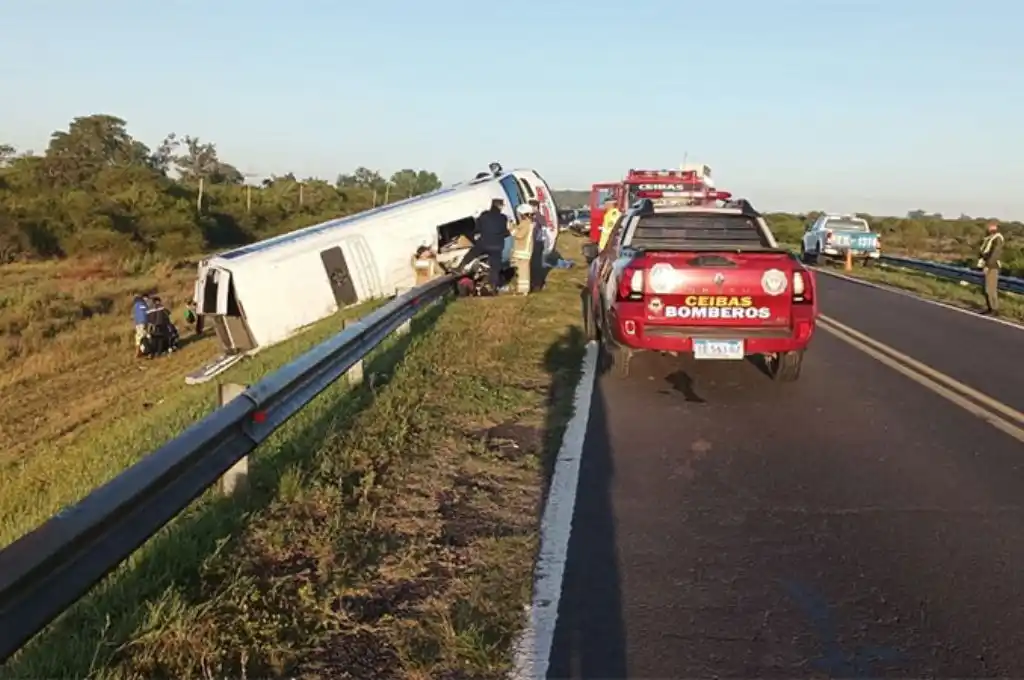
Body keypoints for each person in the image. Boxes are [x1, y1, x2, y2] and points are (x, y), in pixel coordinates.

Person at [458, 198, 510, 293]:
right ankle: (493, 287)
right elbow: (506, 233)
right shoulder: (503, 218)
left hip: (484, 244)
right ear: (499, 206)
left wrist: (473, 236)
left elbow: (477, 229)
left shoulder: (483, 216)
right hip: (497, 246)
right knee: (495, 267)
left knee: (472, 253)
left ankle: (460, 267)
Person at [977, 221, 1005, 316]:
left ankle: (994, 309)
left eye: (990, 227)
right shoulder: (989, 238)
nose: (988, 229)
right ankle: (990, 308)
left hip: (992, 266)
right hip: (987, 265)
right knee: (986, 289)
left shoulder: (997, 238)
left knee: (990, 289)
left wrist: (988, 266)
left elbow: (995, 254)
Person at [511, 204, 536, 295]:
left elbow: (519, 235)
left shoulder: (525, 223)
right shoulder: (529, 223)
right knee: (522, 271)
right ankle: (522, 289)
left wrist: (511, 229)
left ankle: (523, 290)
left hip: (522, 251)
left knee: (522, 271)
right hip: (525, 250)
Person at [132, 293, 151, 358]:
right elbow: (146, 314)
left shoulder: (136, 306)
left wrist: (136, 323)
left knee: (139, 337)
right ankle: (143, 351)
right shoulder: (144, 305)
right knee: (144, 336)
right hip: (143, 323)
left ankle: (140, 351)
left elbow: (135, 315)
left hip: (138, 323)